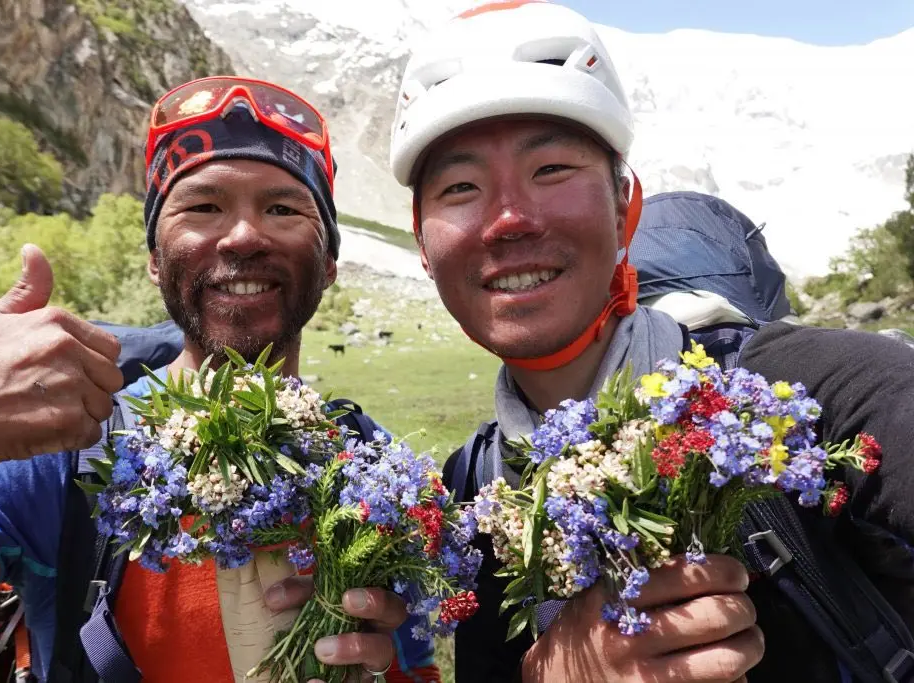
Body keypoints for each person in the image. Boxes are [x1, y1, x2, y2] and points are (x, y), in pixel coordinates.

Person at [388, 2, 914, 682]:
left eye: (550, 170)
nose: (509, 219)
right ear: (424, 245)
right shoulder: (473, 497)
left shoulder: (825, 395)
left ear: (622, 206)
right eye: (461, 187)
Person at [0, 76, 439, 683]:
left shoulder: (374, 467)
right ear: (155, 258)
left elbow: (416, 665)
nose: (243, 236)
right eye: (204, 207)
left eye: (282, 208)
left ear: (330, 262)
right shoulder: (63, 454)